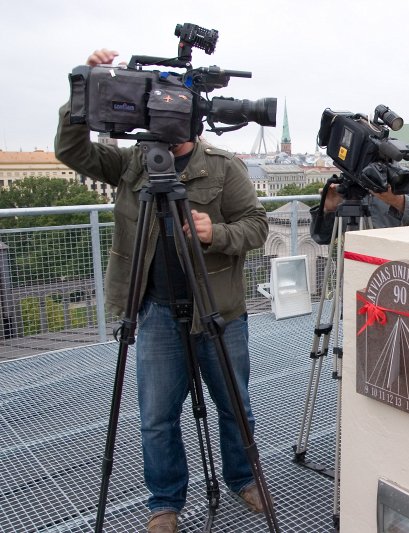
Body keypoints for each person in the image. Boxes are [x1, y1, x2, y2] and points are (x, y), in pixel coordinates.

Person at [54, 49, 270, 533]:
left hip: (219, 310)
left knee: (236, 406)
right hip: (153, 310)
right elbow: (72, 151)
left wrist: (215, 232)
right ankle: (165, 502)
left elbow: (256, 227)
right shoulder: (134, 164)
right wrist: (86, 85)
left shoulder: (223, 168)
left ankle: (244, 478)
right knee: (155, 416)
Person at [322, 170, 409, 228]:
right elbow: (322, 237)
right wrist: (327, 211)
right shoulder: (347, 185)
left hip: (400, 270)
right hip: (357, 269)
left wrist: (399, 202)